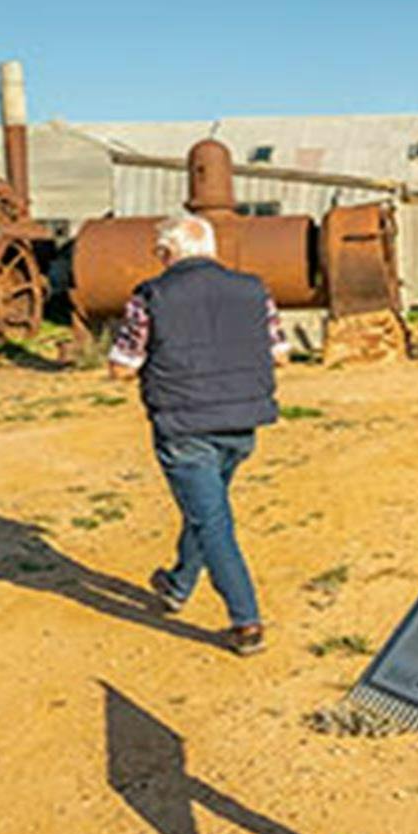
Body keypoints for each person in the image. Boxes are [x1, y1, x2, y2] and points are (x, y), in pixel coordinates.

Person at [107, 213, 289, 657]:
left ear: (167, 253)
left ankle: (246, 622)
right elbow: (281, 355)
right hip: (241, 425)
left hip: (185, 426)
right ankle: (178, 584)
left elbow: (121, 368)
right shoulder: (254, 290)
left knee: (213, 522)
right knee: (207, 510)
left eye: (158, 252)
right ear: (210, 248)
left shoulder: (151, 296)